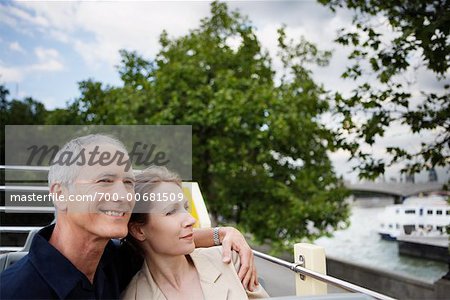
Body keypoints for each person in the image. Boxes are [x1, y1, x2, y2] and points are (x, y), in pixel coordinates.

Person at [0, 134, 258, 299]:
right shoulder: (15, 291)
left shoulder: (113, 259)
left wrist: (224, 233)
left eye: (128, 182)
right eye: (105, 180)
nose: (123, 194)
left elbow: (161, 237)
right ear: (60, 194)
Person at [122, 166, 269, 299]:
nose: (191, 220)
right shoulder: (133, 296)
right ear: (139, 230)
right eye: (171, 212)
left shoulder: (231, 262)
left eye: (185, 208)